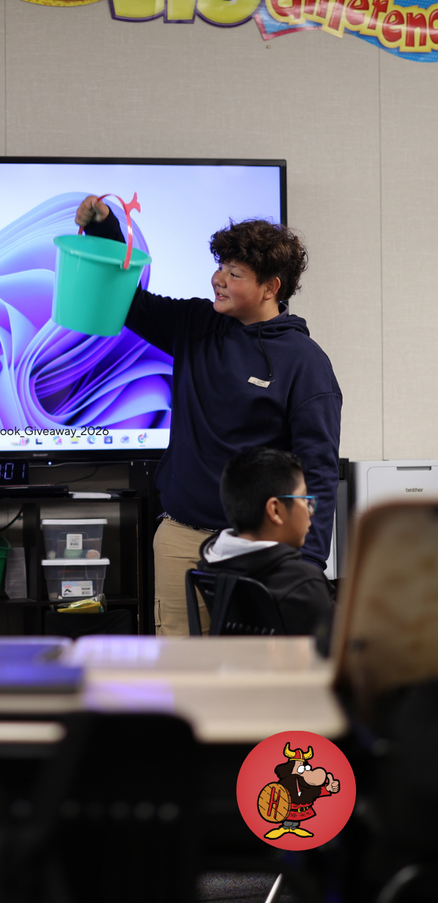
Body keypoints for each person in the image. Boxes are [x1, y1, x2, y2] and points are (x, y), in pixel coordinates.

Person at [75, 197, 341, 635]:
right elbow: (126, 302)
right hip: (181, 535)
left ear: (271, 287)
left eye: (235, 274)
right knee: (180, 668)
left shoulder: (305, 363)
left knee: (253, 678)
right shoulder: (195, 323)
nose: (218, 279)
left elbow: (319, 470)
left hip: (261, 546)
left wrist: (307, 562)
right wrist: (106, 229)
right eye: (220, 267)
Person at [196, 447, 334, 641]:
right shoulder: (303, 582)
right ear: (275, 510)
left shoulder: (210, 565)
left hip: (238, 668)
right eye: (304, 499)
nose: (310, 511)